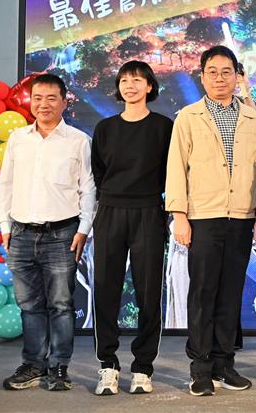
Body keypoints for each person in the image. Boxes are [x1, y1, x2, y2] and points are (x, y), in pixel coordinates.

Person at [165, 46, 256, 396]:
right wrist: (180, 216)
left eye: (227, 72)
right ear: (202, 76)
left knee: (230, 294)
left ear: (237, 77)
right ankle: (200, 367)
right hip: (203, 218)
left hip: (241, 217)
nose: (220, 78)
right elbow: (176, 168)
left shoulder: (253, 120)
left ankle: (225, 364)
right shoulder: (188, 117)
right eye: (212, 71)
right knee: (202, 294)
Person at [0, 73, 96, 392]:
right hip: (20, 233)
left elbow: (88, 188)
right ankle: (33, 365)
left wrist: (84, 229)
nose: (43, 104)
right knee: (29, 305)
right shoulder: (18, 139)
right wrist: (5, 225)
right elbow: (6, 184)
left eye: (51, 98)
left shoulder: (78, 140)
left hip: (62, 234)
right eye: (37, 98)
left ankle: (59, 367)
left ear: (64, 102)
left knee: (61, 305)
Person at [91, 61, 172, 396]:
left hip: (149, 211)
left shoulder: (163, 127)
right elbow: (98, 171)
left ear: (149, 86)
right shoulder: (105, 128)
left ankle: (143, 368)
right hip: (110, 211)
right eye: (124, 80)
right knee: (105, 288)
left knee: (148, 290)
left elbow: (171, 172)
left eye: (137, 80)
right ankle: (108, 365)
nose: (130, 86)